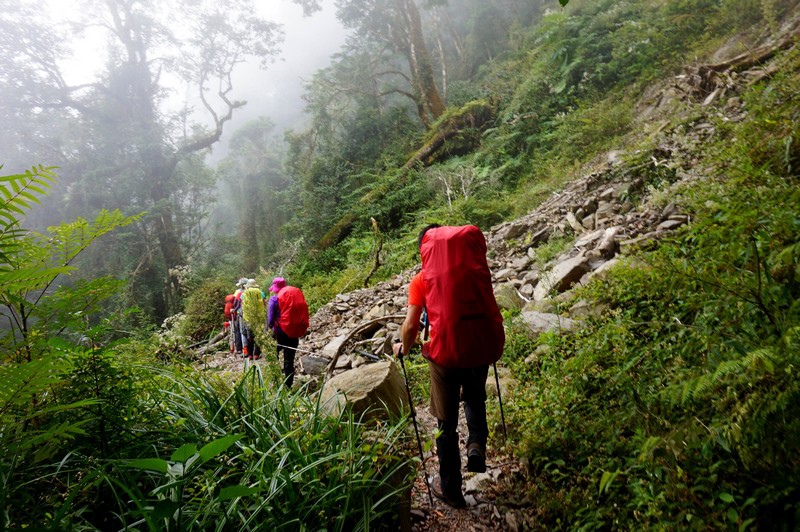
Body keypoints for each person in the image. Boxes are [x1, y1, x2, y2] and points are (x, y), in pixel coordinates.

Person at [393, 224, 504, 509]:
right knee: (476, 396)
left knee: (446, 422)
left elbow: (410, 326)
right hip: (478, 348)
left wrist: (403, 348)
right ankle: (477, 444)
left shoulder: (421, 280)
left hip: (444, 356)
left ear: (425, 251)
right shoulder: (474, 268)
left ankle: (452, 490)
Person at [267, 276, 309, 388]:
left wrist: (267, 330)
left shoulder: (274, 300)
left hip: (279, 333)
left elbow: (270, 319)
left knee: (273, 355)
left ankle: (275, 383)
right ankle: (288, 385)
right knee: (289, 360)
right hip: (293, 332)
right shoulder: (293, 296)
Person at [240, 279, 266, 360]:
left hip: (248, 318)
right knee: (258, 334)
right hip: (259, 317)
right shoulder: (261, 293)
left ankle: (250, 354)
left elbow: (242, 305)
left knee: (249, 336)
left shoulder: (244, 293)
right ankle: (257, 354)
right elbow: (264, 304)